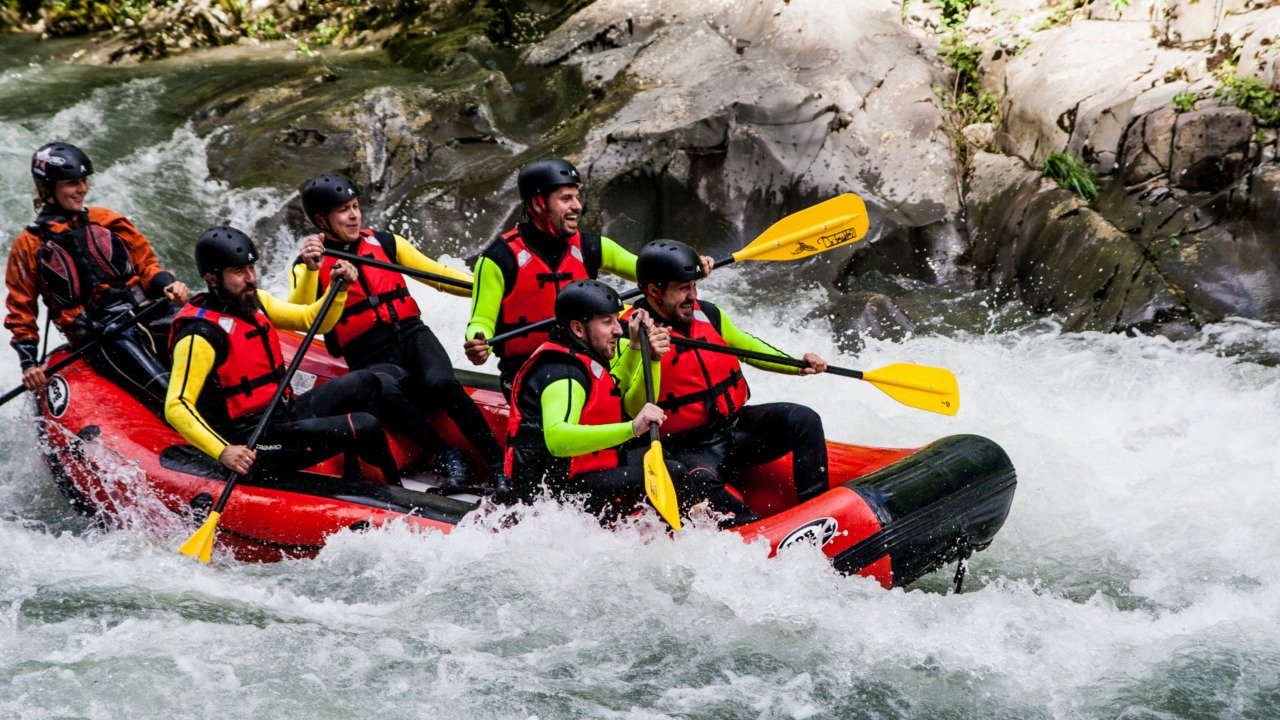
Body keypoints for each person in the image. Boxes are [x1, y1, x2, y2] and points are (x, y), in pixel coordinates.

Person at [289, 173, 507, 495]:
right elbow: (299, 314)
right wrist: (310, 271)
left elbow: (440, 277)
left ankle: (498, 464)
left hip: (411, 334)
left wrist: (494, 290)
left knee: (441, 382)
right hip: (369, 354)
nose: (354, 215)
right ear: (322, 220)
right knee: (383, 389)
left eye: (355, 206)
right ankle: (447, 457)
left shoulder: (385, 242)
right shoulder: (308, 265)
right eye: (343, 211)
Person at [505, 280, 758, 526]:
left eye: (617, 319)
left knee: (667, 458)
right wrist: (632, 428)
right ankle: (697, 536)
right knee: (670, 472)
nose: (618, 329)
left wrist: (636, 346)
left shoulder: (585, 353)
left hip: (580, 477)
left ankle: (717, 522)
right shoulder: (562, 374)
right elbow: (557, 439)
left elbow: (617, 393)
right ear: (578, 329)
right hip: (549, 497)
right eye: (607, 322)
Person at [165, 226, 402, 486]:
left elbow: (314, 321)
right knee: (365, 425)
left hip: (281, 414)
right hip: (252, 444)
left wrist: (340, 289)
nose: (250, 278)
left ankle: (356, 476)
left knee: (365, 382)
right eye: (238, 272)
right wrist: (224, 451)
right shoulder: (198, 335)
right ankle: (393, 495)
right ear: (212, 278)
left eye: (251, 268)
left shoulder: (255, 301)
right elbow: (177, 406)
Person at [462, 157, 713, 396]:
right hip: (529, 370)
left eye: (577, 197)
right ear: (539, 203)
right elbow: (481, 321)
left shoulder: (591, 247)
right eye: (566, 198)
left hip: (589, 359)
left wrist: (690, 266)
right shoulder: (499, 259)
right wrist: (478, 341)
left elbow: (653, 270)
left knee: (645, 330)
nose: (577, 206)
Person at [627, 240, 831, 505]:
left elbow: (748, 348)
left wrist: (796, 364)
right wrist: (651, 358)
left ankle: (818, 509)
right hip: (687, 448)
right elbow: (631, 407)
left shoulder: (708, 314)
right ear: (655, 291)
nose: (692, 296)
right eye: (682, 289)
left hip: (736, 427)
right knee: (699, 482)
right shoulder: (629, 336)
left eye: (694, 286)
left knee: (804, 419)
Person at [5, 142, 189, 406]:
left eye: (83, 181)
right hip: (102, 336)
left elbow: (148, 266)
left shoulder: (108, 220)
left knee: (199, 325)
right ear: (47, 189)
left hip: (145, 310)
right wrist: (29, 363)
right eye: (71, 183)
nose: (82, 189)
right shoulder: (28, 245)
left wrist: (169, 286)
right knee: (164, 388)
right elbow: (20, 310)